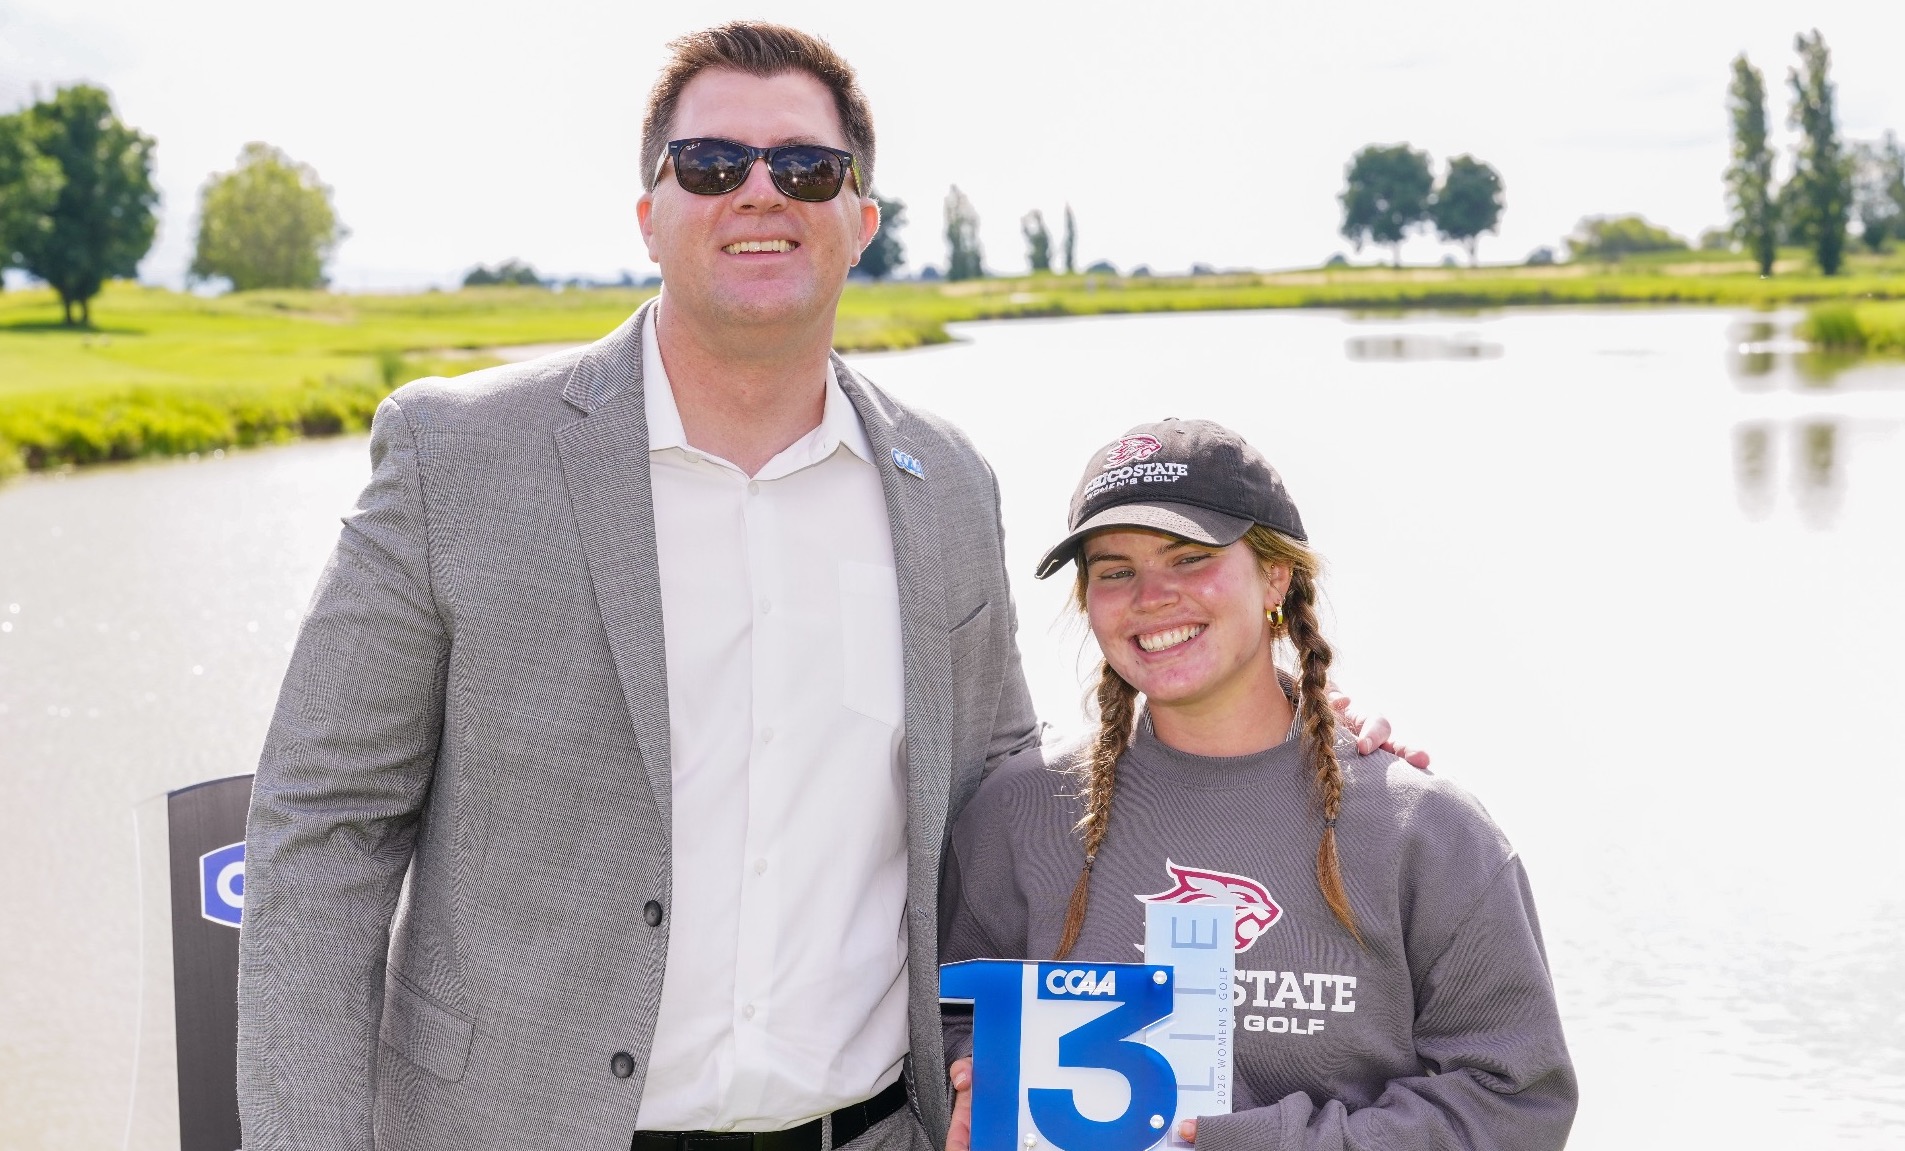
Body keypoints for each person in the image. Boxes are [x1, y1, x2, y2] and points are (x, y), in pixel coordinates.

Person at [235, 22, 1412, 1151]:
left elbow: (1001, 788)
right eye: (710, 163)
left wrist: (1266, 740)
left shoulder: (946, 480)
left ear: (861, 220)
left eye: (806, 166)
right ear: (650, 213)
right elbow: (324, 823)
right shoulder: (459, 456)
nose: (760, 192)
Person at [941, 419, 1576, 1151]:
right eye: (1114, 569)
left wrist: (1243, 1142)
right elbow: (949, 1012)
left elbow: (1513, 1104)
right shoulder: (1017, 814)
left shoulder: (1425, 831)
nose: (1151, 595)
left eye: (1190, 557)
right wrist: (971, 1070)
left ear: (1275, 575)